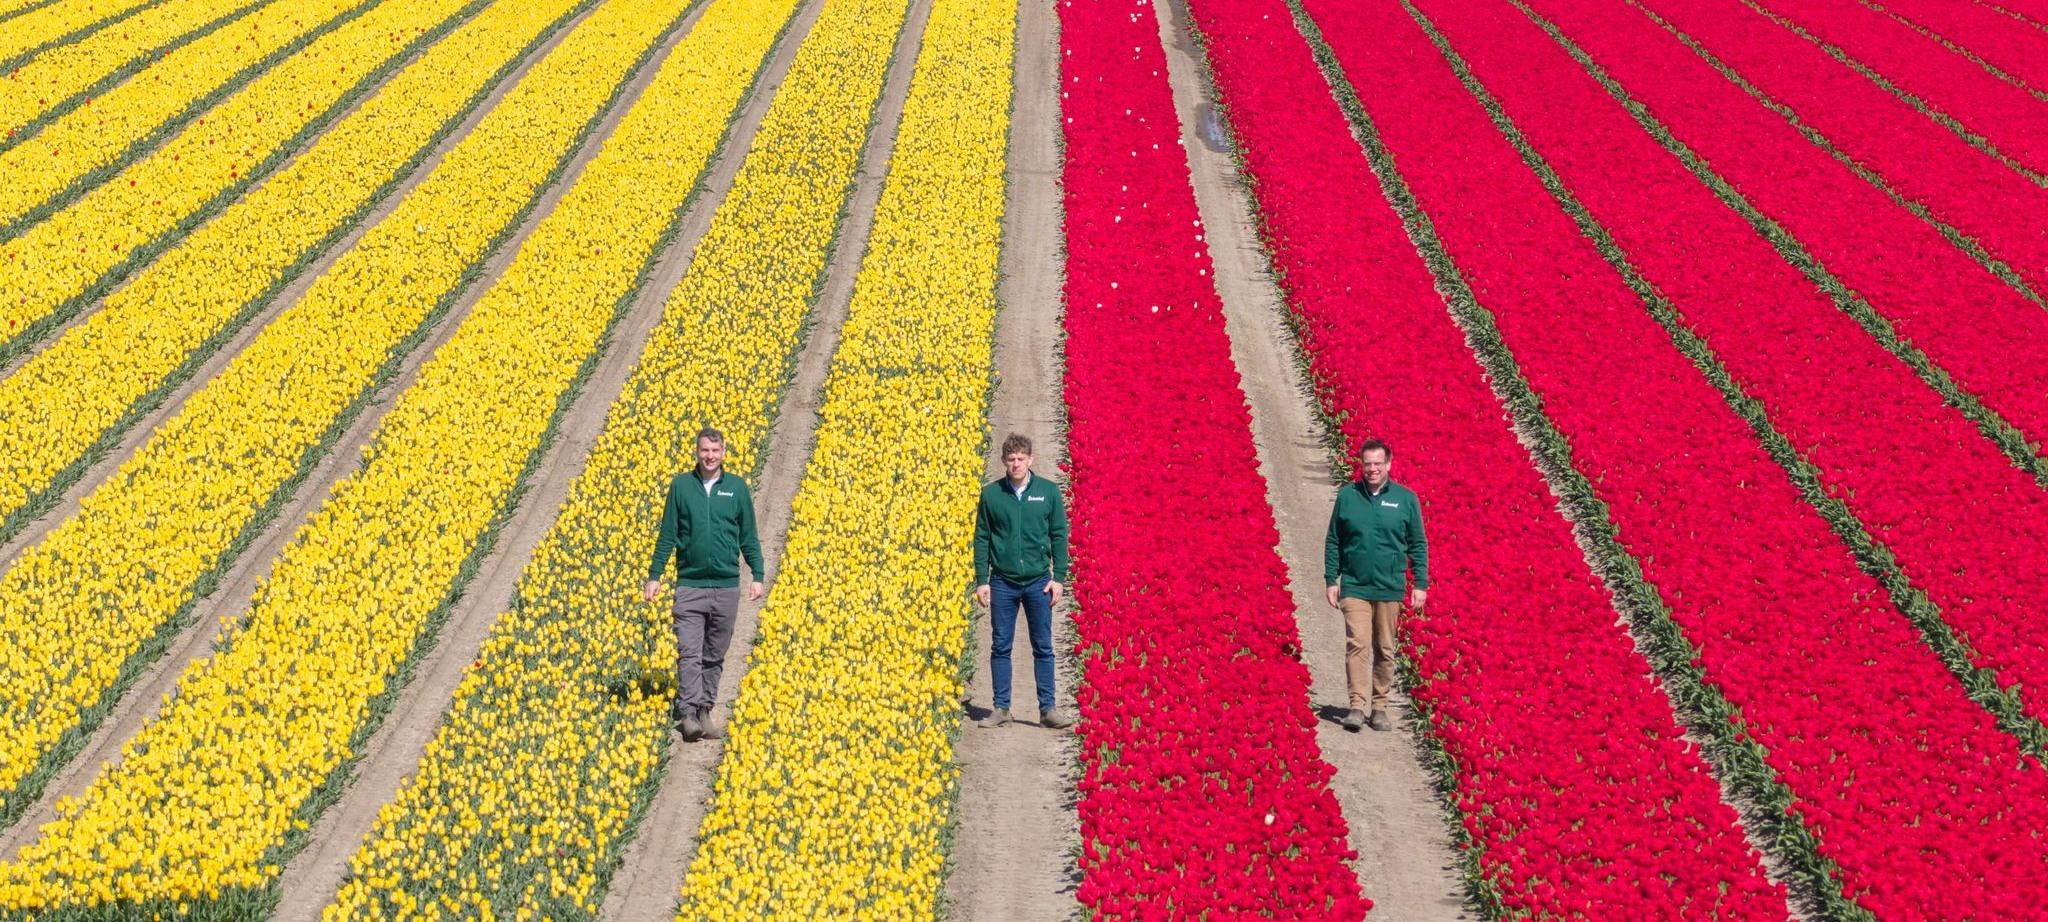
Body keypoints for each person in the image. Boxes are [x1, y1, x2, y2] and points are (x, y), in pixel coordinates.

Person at [644, 427, 766, 742]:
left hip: (725, 586)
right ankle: (687, 713)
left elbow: (748, 536)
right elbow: (667, 533)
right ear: (697, 453)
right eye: (704, 451)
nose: (709, 457)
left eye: (714, 451)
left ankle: (704, 711)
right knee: (688, 651)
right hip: (690, 585)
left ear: (723, 452)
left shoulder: (736, 489)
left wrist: (758, 574)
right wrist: (655, 576)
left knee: (714, 654)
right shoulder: (681, 487)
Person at [1323, 438, 1429, 732]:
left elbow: (1417, 544)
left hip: (1389, 586)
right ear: (1361, 464)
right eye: (1367, 463)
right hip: (1355, 585)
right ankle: (1357, 706)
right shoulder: (1348, 497)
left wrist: (1420, 583)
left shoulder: (1406, 500)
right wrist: (1331, 579)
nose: (1372, 469)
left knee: (1385, 647)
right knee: (1357, 644)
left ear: (1388, 465)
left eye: (1378, 463)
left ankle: (1379, 707)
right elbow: (1334, 540)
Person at [972, 433, 1073, 729]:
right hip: (1002, 581)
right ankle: (1001, 708)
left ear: (1030, 459)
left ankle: (1048, 710)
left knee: (1042, 645)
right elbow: (982, 538)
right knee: (1000, 645)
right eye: (1011, 459)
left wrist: (1059, 578)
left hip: (1038, 581)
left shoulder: (1048, 492)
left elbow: (1058, 535)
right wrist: (982, 580)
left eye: (1021, 458)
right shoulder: (992, 495)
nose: (1016, 463)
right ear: (1004, 461)